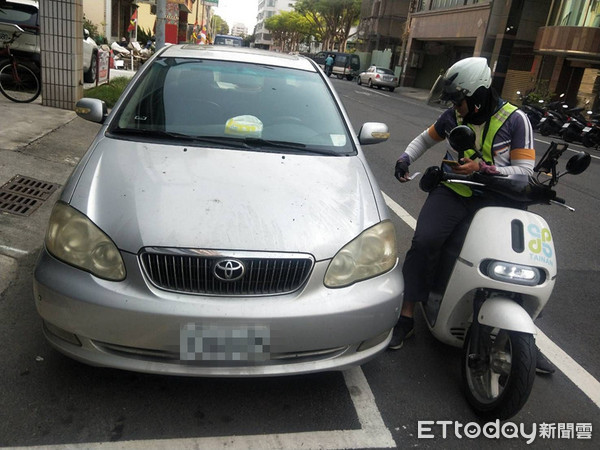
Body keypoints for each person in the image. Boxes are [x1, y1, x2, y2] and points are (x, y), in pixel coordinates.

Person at [389, 56, 555, 375]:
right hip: (455, 190)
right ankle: (407, 317)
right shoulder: (453, 116)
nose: (454, 107)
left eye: (458, 99)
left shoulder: (516, 120)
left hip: (499, 198)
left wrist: (484, 168)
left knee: (521, 265)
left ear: (477, 94)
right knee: (425, 241)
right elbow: (426, 138)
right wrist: (404, 158)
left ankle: (525, 340)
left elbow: (523, 174)